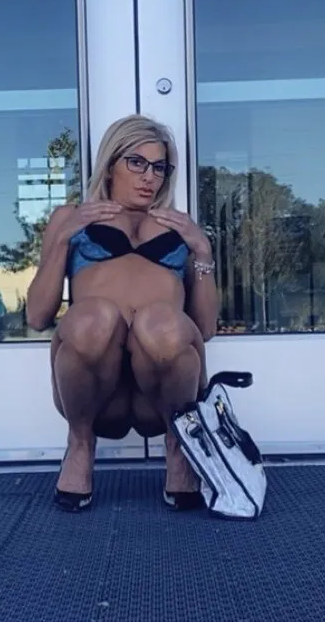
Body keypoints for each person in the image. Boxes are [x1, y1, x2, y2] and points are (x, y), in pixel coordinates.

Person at [26, 114, 219, 512]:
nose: (150, 177)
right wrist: (63, 239)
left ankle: (178, 449)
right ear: (111, 163)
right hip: (99, 393)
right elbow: (37, 317)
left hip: (160, 392)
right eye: (137, 162)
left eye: (160, 167)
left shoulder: (178, 225)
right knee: (93, 315)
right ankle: (80, 446)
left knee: (159, 320)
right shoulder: (71, 218)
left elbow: (204, 328)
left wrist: (202, 250)